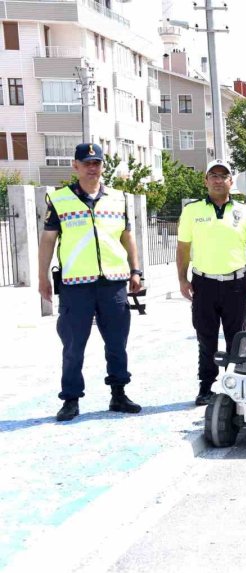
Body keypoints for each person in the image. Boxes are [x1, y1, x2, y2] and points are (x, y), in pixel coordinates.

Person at [37, 143, 143, 421]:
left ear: (102, 166)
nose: (92, 168)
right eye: (86, 163)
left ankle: (118, 394)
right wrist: (42, 276)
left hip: (114, 283)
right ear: (76, 166)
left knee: (117, 343)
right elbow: (48, 240)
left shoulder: (118, 198)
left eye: (97, 163)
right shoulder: (59, 199)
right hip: (76, 285)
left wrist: (135, 270)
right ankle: (70, 399)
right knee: (73, 346)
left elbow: (127, 236)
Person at [176, 159, 246, 406]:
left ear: (230, 181)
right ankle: (206, 385)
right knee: (206, 338)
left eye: (223, 176)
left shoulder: (244, 212)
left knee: (237, 338)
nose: (218, 180)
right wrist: (182, 279)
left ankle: (236, 384)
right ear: (205, 181)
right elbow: (183, 248)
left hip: (236, 284)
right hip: (203, 284)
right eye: (213, 175)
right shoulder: (192, 211)